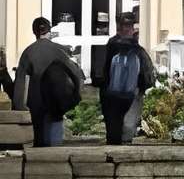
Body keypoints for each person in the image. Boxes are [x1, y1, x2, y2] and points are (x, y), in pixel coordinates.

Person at [10, 17, 84, 148]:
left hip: (37, 104)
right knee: (55, 141)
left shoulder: (28, 52)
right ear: (49, 31)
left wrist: (19, 107)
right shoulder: (60, 50)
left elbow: (20, 84)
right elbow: (76, 74)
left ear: (34, 32)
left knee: (39, 142)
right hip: (57, 101)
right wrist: (75, 97)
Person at [97, 13, 155, 146]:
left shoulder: (110, 46)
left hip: (111, 93)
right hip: (132, 93)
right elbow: (147, 73)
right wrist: (142, 87)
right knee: (127, 125)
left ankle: (114, 144)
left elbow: (100, 72)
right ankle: (124, 143)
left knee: (113, 125)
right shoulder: (137, 49)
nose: (126, 28)